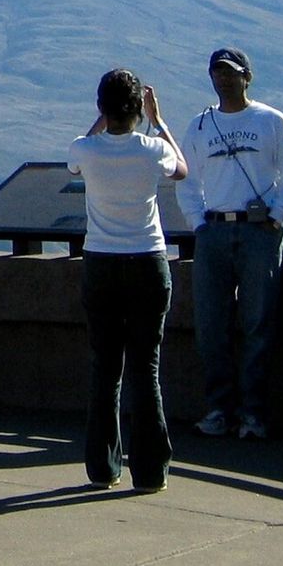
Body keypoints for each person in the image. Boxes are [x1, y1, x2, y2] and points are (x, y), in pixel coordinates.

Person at [177, 47, 283, 441]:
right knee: (211, 325)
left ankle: (253, 413)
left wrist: (274, 216)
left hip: (257, 233)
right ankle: (219, 409)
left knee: (257, 323)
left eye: (231, 73)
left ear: (247, 76)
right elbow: (187, 180)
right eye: (217, 72)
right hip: (214, 231)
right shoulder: (200, 126)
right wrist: (199, 224)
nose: (224, 79)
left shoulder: (270, 121)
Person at [69, 70, 187, 492]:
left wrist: (101, 121)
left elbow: (76, 160)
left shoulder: (85, 148)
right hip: (147, 264)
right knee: (145, 368)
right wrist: (159, 121)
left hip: (100, 263)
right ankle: (151, 471)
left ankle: (103, 467)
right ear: (139, 108)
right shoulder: (153, 149)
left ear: (101, 108)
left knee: (105, 368)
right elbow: (182, 171)